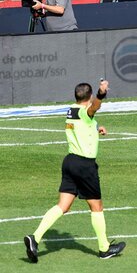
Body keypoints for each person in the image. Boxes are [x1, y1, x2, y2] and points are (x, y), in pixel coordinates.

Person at [24, 80, 125, 263]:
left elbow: (86, 122)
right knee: (97, 207)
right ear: (89, 97)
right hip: (84, 166)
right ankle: (104, 249)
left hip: (69, 162)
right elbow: (93, 108)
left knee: (62, 206)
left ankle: (35, 238)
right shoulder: (87, 110)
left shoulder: (71, 110)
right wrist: (102, 94)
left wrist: (96, 128)